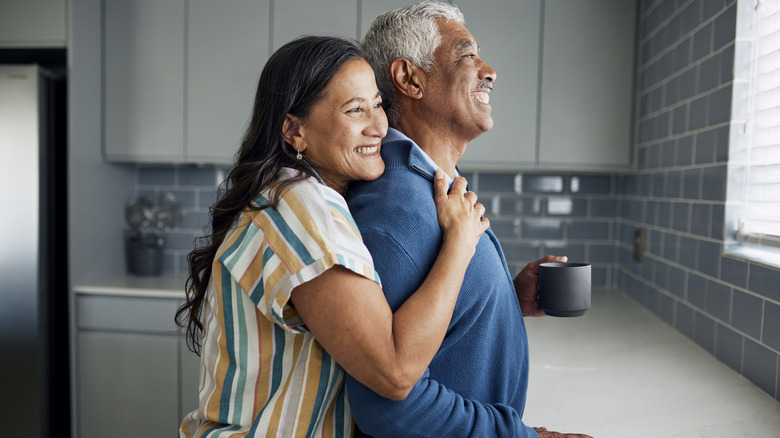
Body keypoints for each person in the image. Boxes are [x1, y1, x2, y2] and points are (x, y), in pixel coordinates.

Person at [175, 35, 490, 437]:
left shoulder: (290, 195)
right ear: (295, 131)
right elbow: (394, 371)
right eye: (354, 110)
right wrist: (460, 243)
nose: (379, 125)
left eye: (377, 104)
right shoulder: (302, 207)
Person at [344, 2, 592, 438]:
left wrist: (506, 300)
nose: (489, 70)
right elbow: (389, 409)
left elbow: (435, 330)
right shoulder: (395, 207)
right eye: (467, 55)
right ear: (410, 79)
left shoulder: (433, 186)